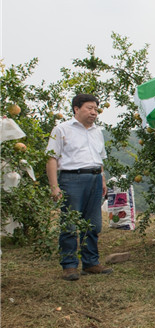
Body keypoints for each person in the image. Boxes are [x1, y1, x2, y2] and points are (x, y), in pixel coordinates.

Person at [46, 94, 112, 281]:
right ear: (76, 108)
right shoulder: (61, 129)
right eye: (89, 108)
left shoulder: (97, 132)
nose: (94, 112)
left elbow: (99, 159)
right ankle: (69, 265)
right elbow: (51, 158)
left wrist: (103, 180)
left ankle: (91, 263)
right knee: (70, 224)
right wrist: (54, 186)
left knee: (93, 224)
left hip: (94, 179)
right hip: (72, 179)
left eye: (96, 109)